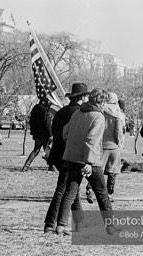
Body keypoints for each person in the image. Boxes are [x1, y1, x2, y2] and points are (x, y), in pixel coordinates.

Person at [55, 88, 113, 236]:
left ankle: (61, 225)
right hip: (90, 161)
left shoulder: (77, 112)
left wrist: (73, 147)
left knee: (70, 193)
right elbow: (92, 140)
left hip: (72, 158)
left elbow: (65, 132)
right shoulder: (98, 117)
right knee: (102, 194)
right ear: (102, 102)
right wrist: (88, 162)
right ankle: (110, 227)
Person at [43, 83, 89, 234]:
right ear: (82, 97)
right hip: (68, 156)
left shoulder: (61, 111)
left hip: (58, 154)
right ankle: (50, 224)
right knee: (62, 190)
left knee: (72, 189)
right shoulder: (79, 113)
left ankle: (80, 223)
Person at [21, 98, 52, 172]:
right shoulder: (44, 111)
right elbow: (47, 124)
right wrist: (50, 134)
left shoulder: (34, 110)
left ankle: (26, 166)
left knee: (36, 150)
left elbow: (31, 122)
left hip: (37, 134)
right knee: (47, 151)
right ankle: (52, 166)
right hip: (44, 135)